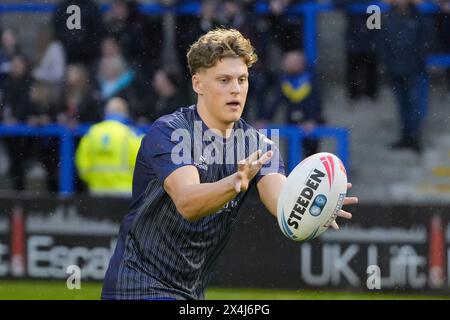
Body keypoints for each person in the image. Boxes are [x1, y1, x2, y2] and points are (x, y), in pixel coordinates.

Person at [101, 28, 357, 300]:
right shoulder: (170, 133)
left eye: (242, 79)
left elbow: (284, 203)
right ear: (198, 84)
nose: (236, 89)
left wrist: (316, 205)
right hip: (136, 285)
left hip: (190, 292)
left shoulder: (259, 146)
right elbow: (188, 203)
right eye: (224, 80)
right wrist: (234, 182)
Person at [75, 97, 142, 196]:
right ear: (125, 113)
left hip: (97, 191)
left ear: (106, 113)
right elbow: (142, 162)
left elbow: (82, 163)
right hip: (125, 192)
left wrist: (92, 179)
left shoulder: (92, 132)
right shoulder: (131, 134)